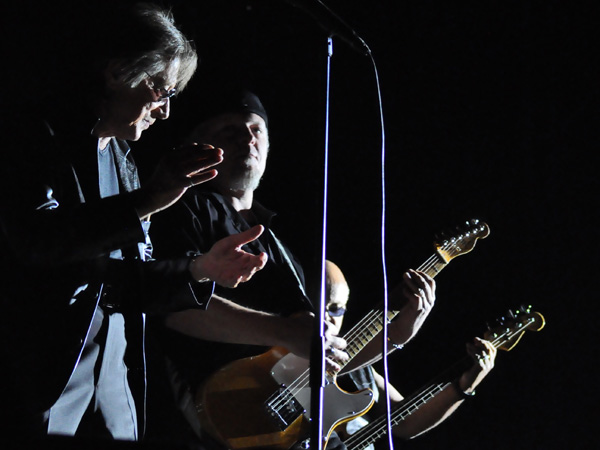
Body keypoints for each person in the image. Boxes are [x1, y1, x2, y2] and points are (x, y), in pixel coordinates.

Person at [0, 3, 267, 444]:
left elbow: (120, 282)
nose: (163, 111)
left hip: (111, 397)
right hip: (36, 386)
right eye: (162, 91)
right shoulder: (33, 136)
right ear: (118, 72)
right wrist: (150, 199)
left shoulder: (121, 158)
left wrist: (201, 269)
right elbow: (37, 242)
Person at [145, 89, 437, 449]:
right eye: (229, 130)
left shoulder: (278, 243)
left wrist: (400, 333)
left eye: (256, 130)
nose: (247, 138)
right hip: (209, 420)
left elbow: (309, 363)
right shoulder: (183, 208)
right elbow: (169, 304)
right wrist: (282, 330)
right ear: (196, 144)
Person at [324, 260, 497, 449]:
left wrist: (465, 386)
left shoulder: (359, 368)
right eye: (319, 303)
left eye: (336, 309)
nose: (327, 316)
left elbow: (403, 423)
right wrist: (399, 332)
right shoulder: (288, 351)